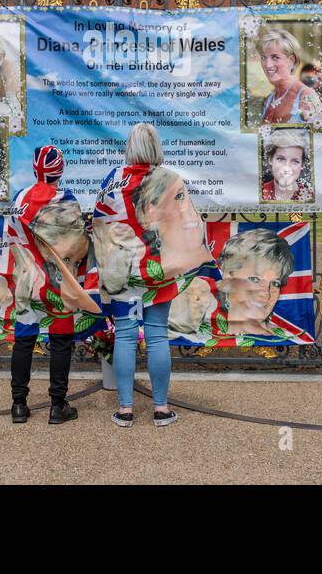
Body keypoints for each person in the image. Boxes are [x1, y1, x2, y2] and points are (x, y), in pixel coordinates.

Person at [93, 123, 216, 428]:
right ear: (156, 147)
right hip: (160, 269)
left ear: (130, 147)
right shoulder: (171, 179)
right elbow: (191, 224)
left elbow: (98, 224)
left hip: (123, 271)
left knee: (124, 334)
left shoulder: (114, 179)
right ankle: (160, 408)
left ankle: (125, 409)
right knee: (157, 334)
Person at [6, 146, 99, 425]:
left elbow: (10, 238)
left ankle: (19, 405)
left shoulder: (19, 198)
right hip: (57, 282)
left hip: (27, 278)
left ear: (36, 170)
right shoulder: (66, 200)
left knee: (23, 340)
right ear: (60, 171)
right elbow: (79, 246)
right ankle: (57, 406)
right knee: (60, 341)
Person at [218, 228, 297, 337]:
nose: (266, 294)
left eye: (275, 283)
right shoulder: (201, 333)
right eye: (255, 279)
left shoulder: (288, 337)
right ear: (227, 278)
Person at [256, 26, 322, 126]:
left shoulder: (306, 95)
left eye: (275, 57)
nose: (267, 64)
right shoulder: (269, 99)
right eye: (263, 57)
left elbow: (320, 136)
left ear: (291, 60)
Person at [260, 129, 313, 202]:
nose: (287, 168)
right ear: (270, 159)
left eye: (295, 161)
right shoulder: (258, 193)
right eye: (280, 159)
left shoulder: (311, 196)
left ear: (302, 165)